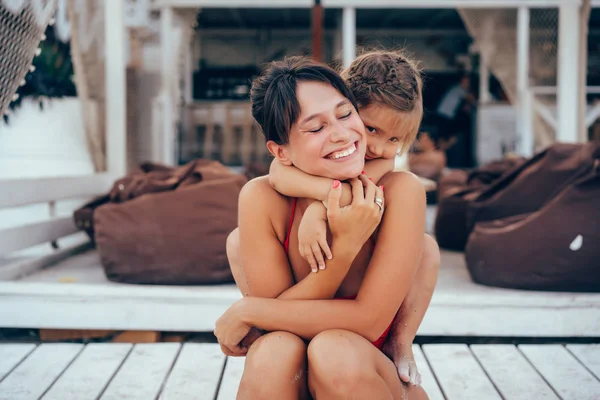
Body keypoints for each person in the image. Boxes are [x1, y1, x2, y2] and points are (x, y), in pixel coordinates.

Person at [215, 55, 435, 399]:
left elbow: (369, 321)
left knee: (334, 352)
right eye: (316, 128)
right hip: (293, 366)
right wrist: (343, 248)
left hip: (363, 366)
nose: (341, 134)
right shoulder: (262, 198)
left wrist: (249, 310)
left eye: (346, 114)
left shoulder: (400, 191)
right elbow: (277, 321)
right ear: (281, 151)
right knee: (272, 352)